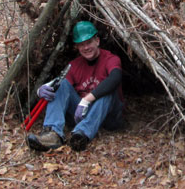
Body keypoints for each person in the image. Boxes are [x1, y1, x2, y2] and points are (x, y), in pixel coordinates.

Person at [27, 21, 124, 152]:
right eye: (81, 44)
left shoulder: (110, 59)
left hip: (108, 117)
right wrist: (41, 90)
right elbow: (59, 85)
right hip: (82, 114)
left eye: (89, 42)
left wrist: (86, 100)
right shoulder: (74, 65)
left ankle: (82, 134)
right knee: (61, 84)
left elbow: (115, 78)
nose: (86, 47)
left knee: (109, 91)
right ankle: (53, 134)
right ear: (77, 47)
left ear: (97, 41)